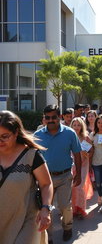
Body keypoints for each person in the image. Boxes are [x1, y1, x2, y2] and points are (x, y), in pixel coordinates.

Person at [0, 110, 53, 244]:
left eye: (5, 136)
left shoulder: (31, 155)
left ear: (16, 132)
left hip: (27, 220)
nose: (0, 141)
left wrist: (46, 209)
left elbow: (46, 184)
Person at [34, 104, 82, 243]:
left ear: (59, 117)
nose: (50, 120)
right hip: (44, 179)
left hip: (65, 176)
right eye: (47, 117)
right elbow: (32, 158)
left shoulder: (69, 133)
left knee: (64, 206)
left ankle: (67, 227)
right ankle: (48, 236)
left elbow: (77, 154)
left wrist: (78, 174)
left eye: (53, 117)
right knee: (46, 208)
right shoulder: (37, 135)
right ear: (44, 118)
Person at [71, 117, 93, 219]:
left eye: (78, 125)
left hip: (83, 164)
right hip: (72, 164)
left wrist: (87, 154)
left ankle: (81, 209)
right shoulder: (69, 136)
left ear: (82, 126)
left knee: (80, 186)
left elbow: (91, 150)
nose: (76, 127)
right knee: (73, 187)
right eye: (74, 125)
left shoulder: (85, 137)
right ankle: (73, 208)